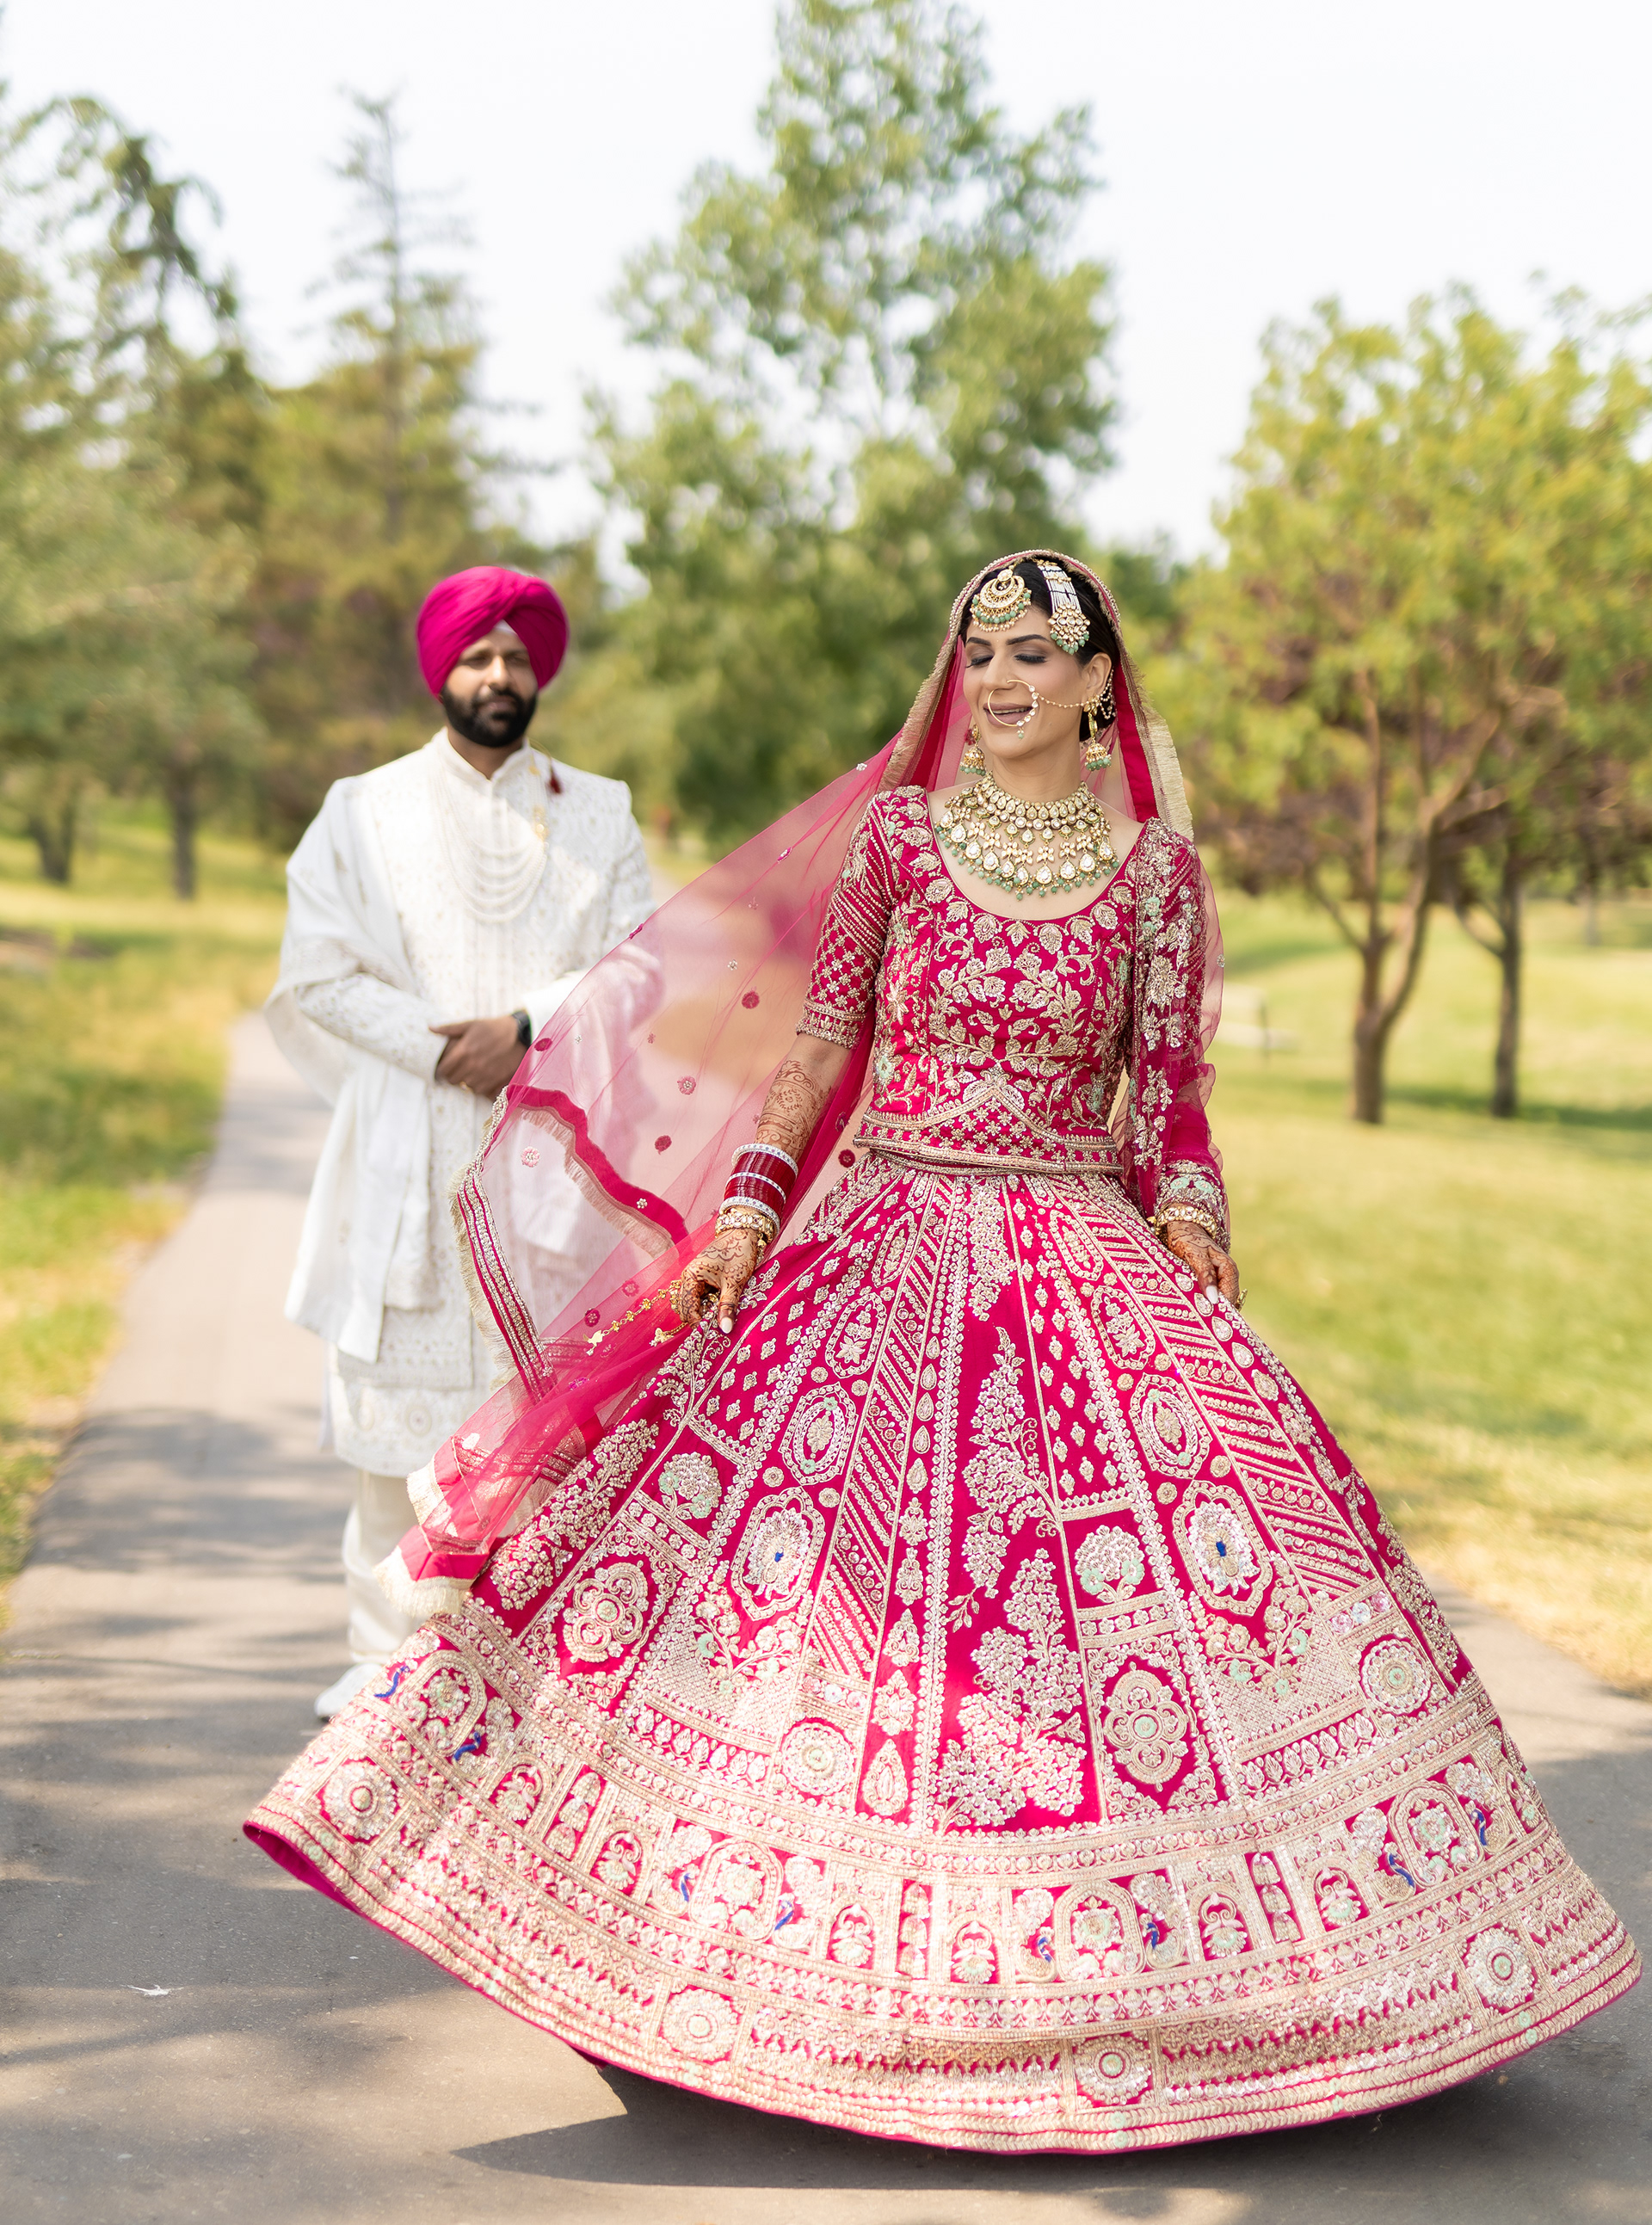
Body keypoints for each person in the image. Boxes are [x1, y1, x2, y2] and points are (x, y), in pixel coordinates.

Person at [249, 553, 1637, 2152]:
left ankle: (1156, 1973)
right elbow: (820, 1053)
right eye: (980, 654)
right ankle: (729, 1958)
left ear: (1100, 682)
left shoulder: (1157, 877)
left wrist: (1195, 1228)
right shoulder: (902, 843)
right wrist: (748, 1216)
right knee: (795, 1605)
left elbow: (1173, 1104)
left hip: (1085, 1264)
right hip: (882, 1241)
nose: (999, 681)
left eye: (1035, 653)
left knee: (1132, 1624)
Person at [267, 564, 653, 1719]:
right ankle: (380, 1656)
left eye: (517, 657)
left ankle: (520, 1661)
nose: (499, 674)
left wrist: (524, 1029)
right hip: (406, 1138)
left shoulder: (601, 810)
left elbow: (644, 964)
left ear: (541, 674)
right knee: (394, 1417)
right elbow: (316, 972)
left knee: (540, 1413)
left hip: (546, 1144)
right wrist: (447, 1051)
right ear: (442, 670)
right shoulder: (363, 809)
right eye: (479, 656)